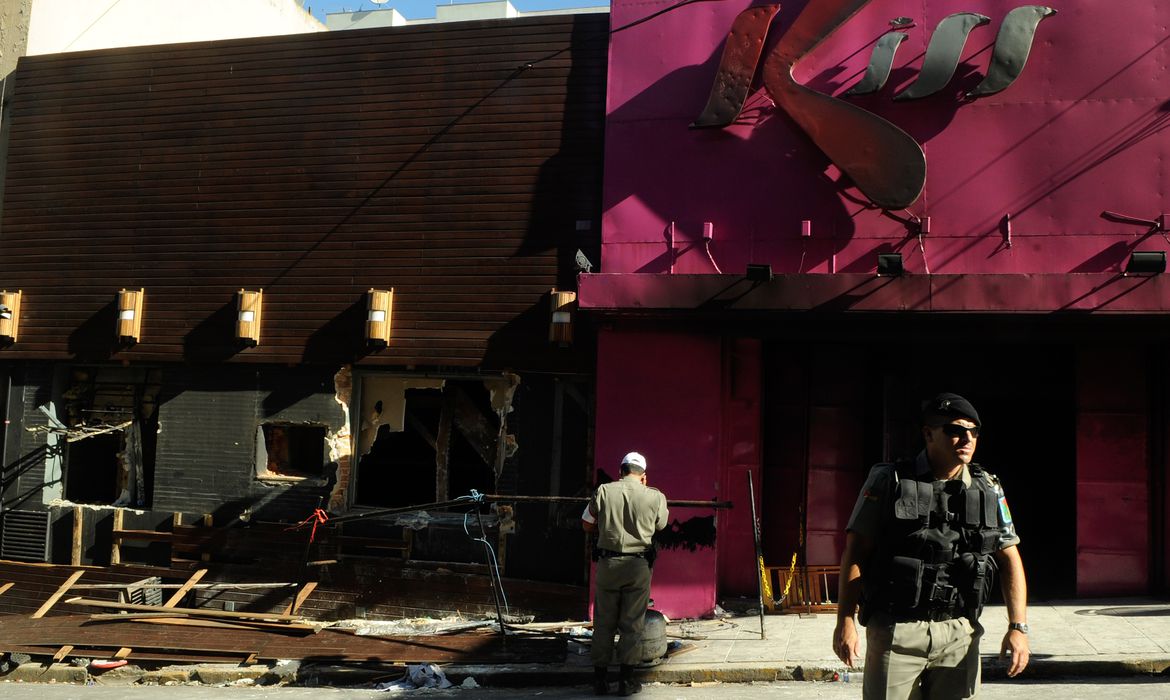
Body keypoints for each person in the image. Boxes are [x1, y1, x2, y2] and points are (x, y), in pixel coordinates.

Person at [832, 393, 1029, 699]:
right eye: (955, 430)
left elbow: (1009, 559)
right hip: (897, 631)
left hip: (959, 633)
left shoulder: (988, 488)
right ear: (928, 434)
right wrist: (845, 619)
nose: (967, 438)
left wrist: (1018, 627)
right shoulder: (889, 480)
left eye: (974, 431)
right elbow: (856, 551)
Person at [582, 451, 669, 696]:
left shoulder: (603, 491)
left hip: (608, 565)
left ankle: (600, 680)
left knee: (603, 622)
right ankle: (626, 681)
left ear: (620, 471)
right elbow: (660, 525)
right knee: (632, 624)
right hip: (638, 566)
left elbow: (586, 524)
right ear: (644, 476)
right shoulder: (655, 496)